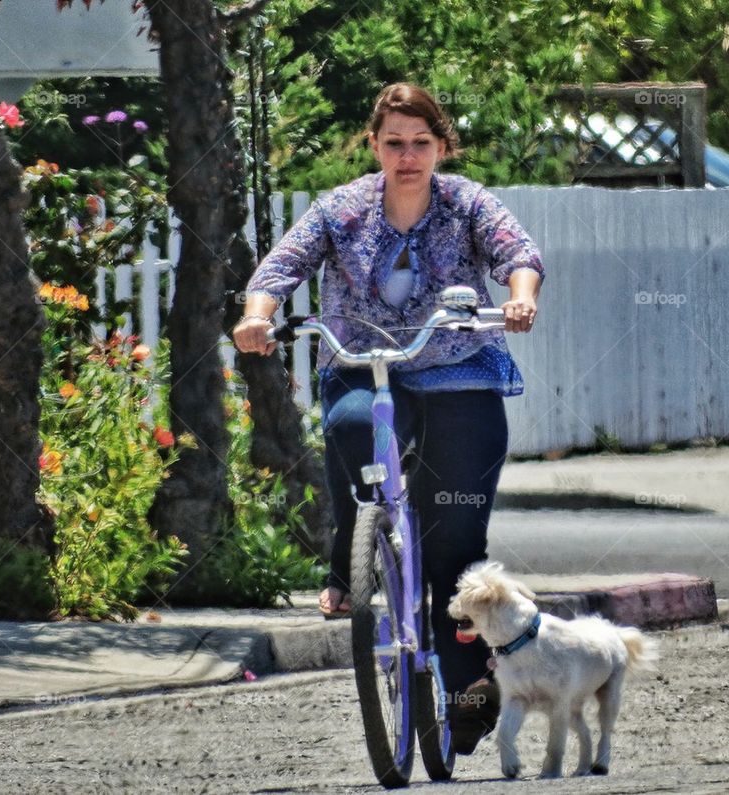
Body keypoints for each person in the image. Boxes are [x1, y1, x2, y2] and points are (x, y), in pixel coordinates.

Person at [233, 82, 544, 753]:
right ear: (374, 145)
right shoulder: (342, 209)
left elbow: (516, 252)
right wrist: (259, 315)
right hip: (366, 364)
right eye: (394, 143)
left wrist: (519, 298)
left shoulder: (465, 203)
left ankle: (464, 693)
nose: (407, 156)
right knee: (350, 428)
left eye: (421, 143)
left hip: (458, 371)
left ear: (441, 146)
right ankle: (354, 557)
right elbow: (284, 264)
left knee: (456, 549)